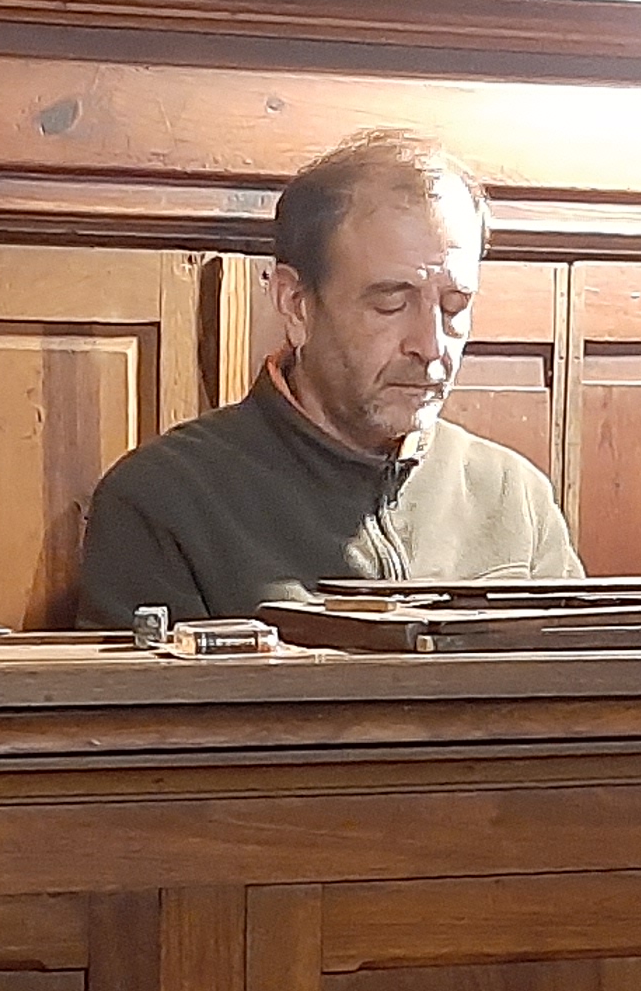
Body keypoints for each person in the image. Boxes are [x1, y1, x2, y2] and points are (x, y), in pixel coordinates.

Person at [77, 128, 581, 626]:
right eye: (390, 302)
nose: (430, 347)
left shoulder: (515, 496)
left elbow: (584, 698)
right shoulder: (164, 501)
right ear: (295, 304)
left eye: (454, 307)